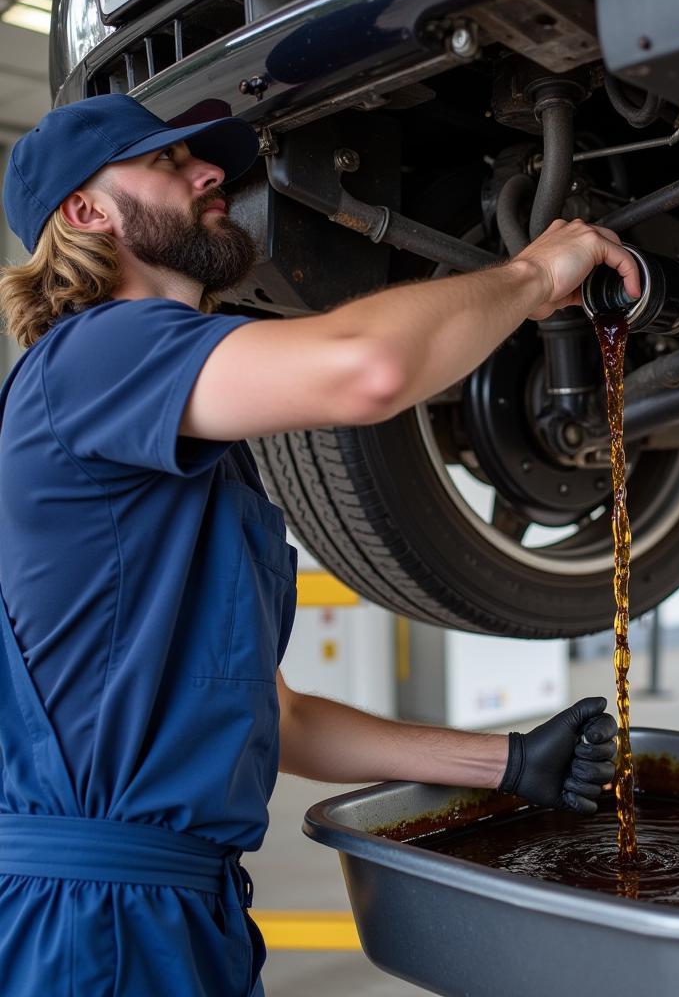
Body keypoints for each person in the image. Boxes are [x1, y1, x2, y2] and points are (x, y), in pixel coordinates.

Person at [0, 94, 641, 996]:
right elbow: (366, 369)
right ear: (85, 212)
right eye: (168, 163)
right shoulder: (92, 355)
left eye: (200, 159)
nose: (210, 172)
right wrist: (534, 276)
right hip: (96, 922)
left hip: (173, 910)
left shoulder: (182, 456)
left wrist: (506, 764)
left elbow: (280, 719)